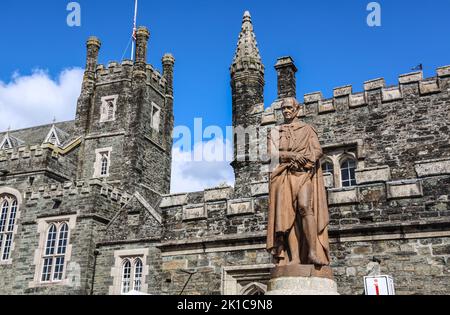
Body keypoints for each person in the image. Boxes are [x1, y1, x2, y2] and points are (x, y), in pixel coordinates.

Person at [266, 97, 330, 266]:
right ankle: (294, 258)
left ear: (297, 108)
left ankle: (312, 252)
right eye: (283, 109)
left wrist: (304, 160)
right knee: (289, 217)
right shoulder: (274, 132)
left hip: (303, 175)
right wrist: (292, 156)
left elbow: (318, 151)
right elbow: (271, 155)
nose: (286, 111)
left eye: (289, 107)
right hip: (283, 176)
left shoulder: (307, 129)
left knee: (304, 207)